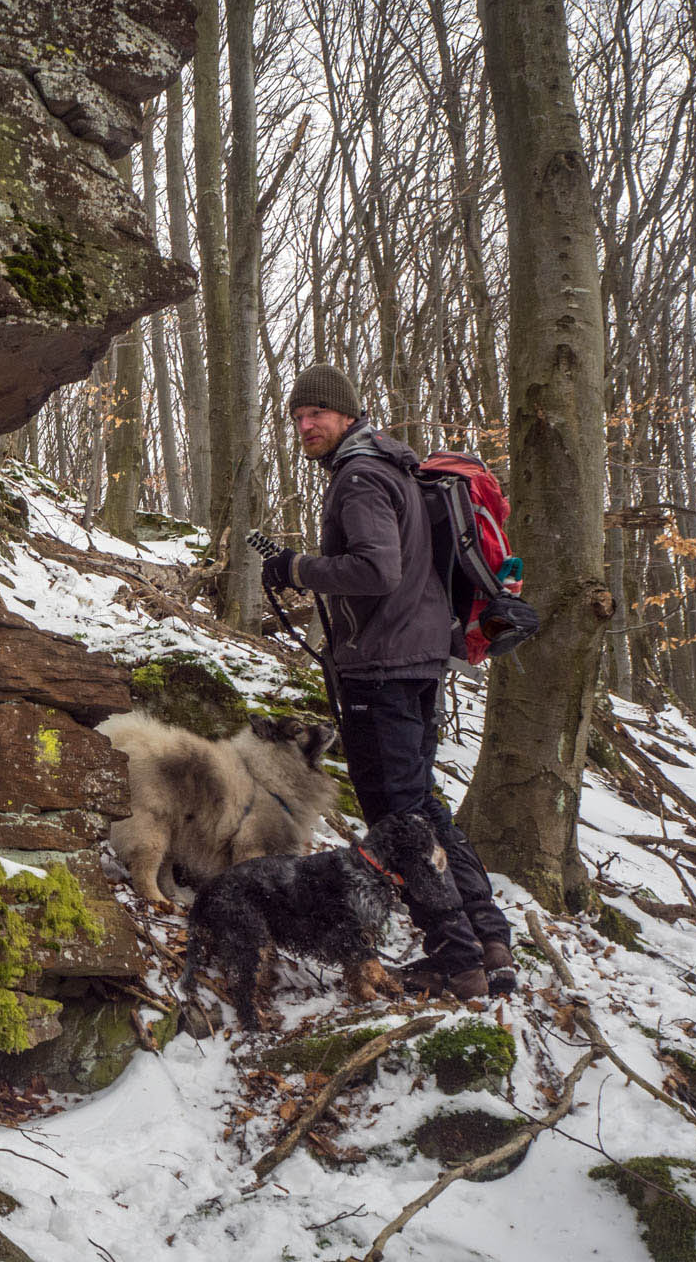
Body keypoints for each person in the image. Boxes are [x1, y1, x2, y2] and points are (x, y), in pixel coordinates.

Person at [258, 363, 516, 999]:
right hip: (416, 659)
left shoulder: (360, 476)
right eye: (297, 417)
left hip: (384, 668)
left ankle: (457, 961)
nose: (305, 425)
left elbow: (376, 570)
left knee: (401, 819)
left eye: (316, 413)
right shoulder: (394, 467)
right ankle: (488, 940)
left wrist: (297, 567)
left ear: (347, 415)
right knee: (423, 806)